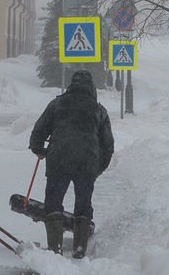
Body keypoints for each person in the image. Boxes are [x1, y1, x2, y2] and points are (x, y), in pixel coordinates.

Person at [28, 69, 114, 258]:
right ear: (91, 87)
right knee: (83, 204)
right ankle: (79, 248)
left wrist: (39, 150)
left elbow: (39, 130)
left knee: (54, 201)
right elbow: (108, 145)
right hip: (87, 161)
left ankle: (55, 248)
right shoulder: (99, 110)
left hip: (59, 158)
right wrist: (98, 168)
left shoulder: (56, 104)